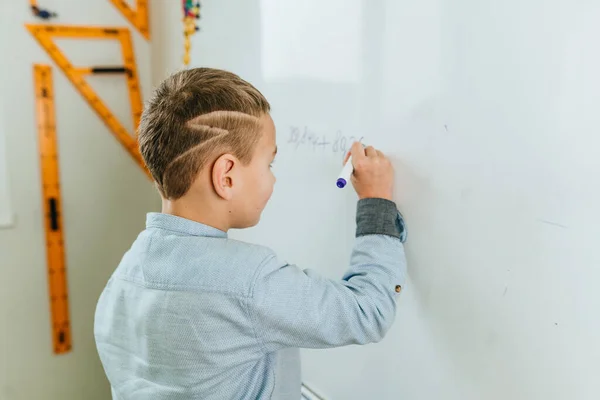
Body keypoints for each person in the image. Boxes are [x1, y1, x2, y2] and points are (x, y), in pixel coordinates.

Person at [94, 67, 407, 400]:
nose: (272, 179)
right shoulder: (248, 283)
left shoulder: (124, 276)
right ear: (226, 176)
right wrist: (376, 202)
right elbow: (367, 312)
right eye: (269, 164)